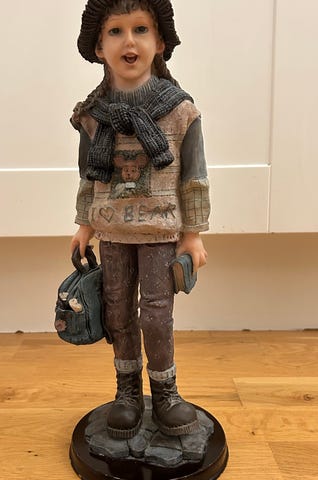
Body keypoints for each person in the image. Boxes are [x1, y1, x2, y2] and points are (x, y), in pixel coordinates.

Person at [70, 0, 210, 440]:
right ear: (98, 46)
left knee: (156, 315)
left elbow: (194, 178)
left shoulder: (181, 112)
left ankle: (165, 391)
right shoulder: (92, 117)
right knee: (117, 313)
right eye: (115, 31)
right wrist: (84, 225)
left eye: (141, 29)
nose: (128, 41)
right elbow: (87, 178)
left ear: (160, 42)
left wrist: (192, 235)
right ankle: (127, 390)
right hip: (112, 233)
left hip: (159, 233)